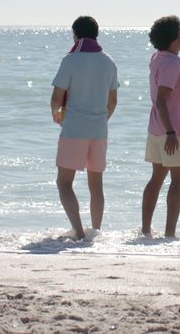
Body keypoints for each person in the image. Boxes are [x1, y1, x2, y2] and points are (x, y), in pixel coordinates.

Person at [50, 16, 119, 240]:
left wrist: (57, 114)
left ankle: (79, 231)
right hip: (99, 130)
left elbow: (56, 98)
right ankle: (96, 231)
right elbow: (113, 102)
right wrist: (102, 119)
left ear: (75, 34)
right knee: (96, 184)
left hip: (74, 129)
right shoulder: (108, 61)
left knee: (64, 182)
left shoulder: (70, 60)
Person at [141, 16, 180, 238]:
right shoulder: (172, 64)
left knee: (157, 178)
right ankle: (170, 233)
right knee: (178, 181)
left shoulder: (158, 58)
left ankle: (146, 230)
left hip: (156, 127)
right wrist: (172, 132)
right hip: (172, 130)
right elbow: (162, 99)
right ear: (171, 39)